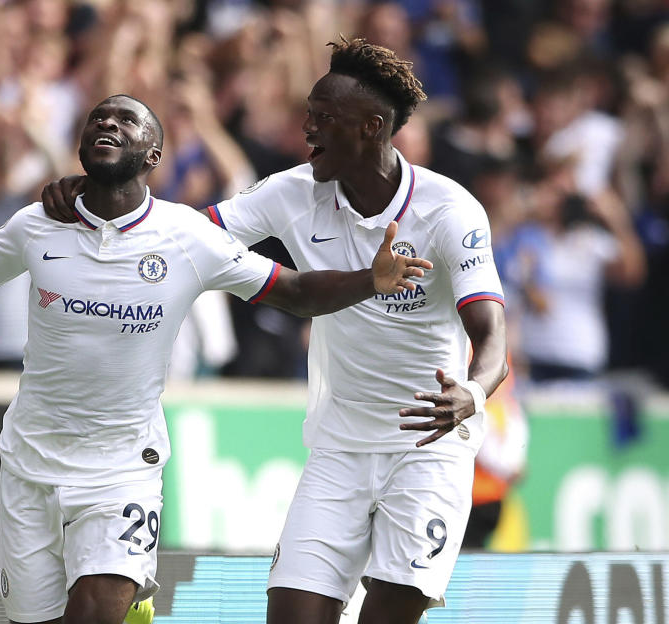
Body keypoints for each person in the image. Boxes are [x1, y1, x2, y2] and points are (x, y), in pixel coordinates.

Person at [0, 94, 432, 624]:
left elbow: (290, 291)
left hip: (123, 467)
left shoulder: (188, 237)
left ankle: (128, 594)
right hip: (32, 458)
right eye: (97, 118)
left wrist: (366, 279)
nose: (107, 124)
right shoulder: (39, 224)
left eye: (126, 120)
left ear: (153, 152)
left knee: (94, 612)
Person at [43, 40, 509, 624]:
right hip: (338, 447)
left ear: (371, 127)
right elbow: (178, 234)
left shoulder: (448, 210)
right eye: (308, 112)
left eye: (323, 118)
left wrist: (472, 391)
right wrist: (91, 196)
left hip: (429, 450)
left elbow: (491, 334)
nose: (306, 126)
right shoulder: (292, 192)